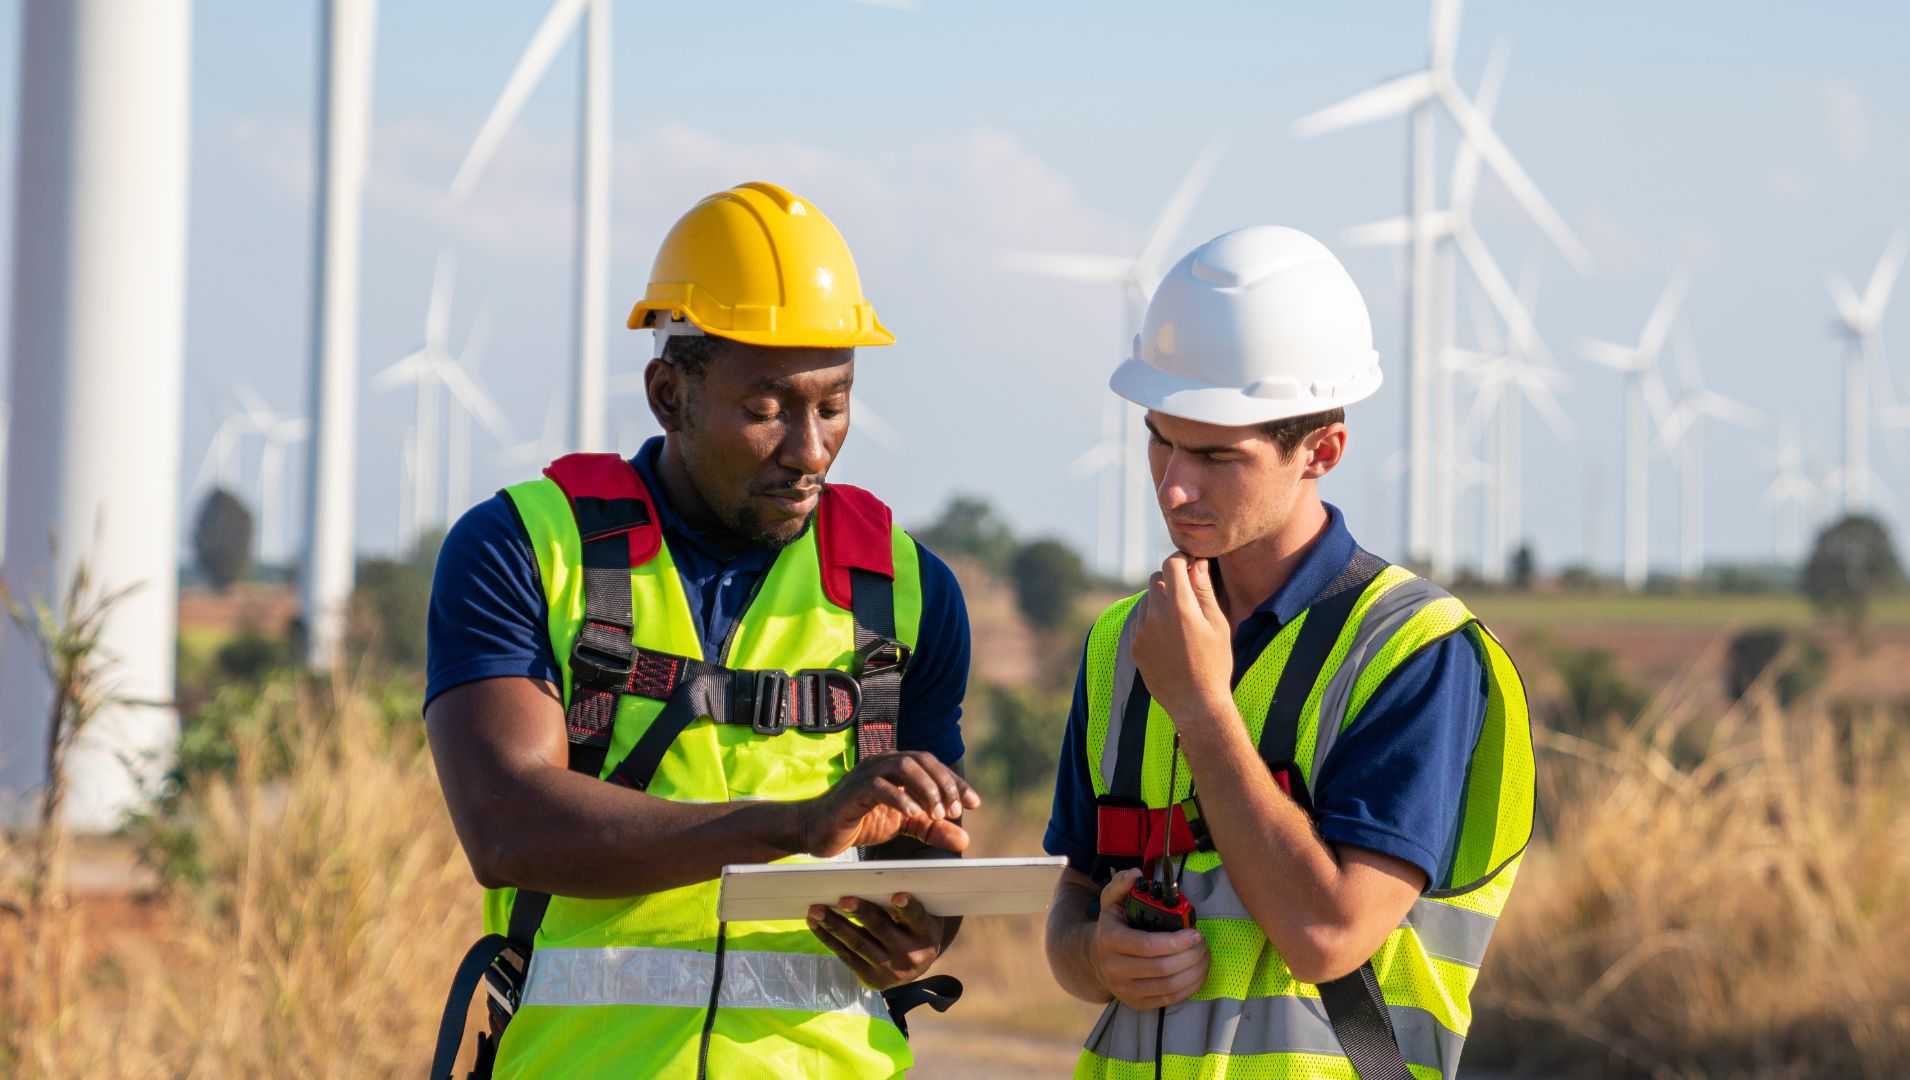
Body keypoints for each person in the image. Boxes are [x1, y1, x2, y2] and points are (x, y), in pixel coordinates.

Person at [424, 182, 978, 1079]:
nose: (810, 449)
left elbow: (922, 855)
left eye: (833, 405)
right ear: (668, 393)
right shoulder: (524, 548)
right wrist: (790, 827)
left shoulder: (909, 591)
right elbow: (506, 826)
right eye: (767, 409)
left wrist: (923, 930)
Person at [1042, 226, 1535, 1080]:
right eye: (1161, 438)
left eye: (1215, 455)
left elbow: (1326, 934)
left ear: (1323, 452)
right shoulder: (1122, 645)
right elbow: (1073, 906)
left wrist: (1201, 707)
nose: (1172, 484)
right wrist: (1095, 957)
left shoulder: (1417, 653)